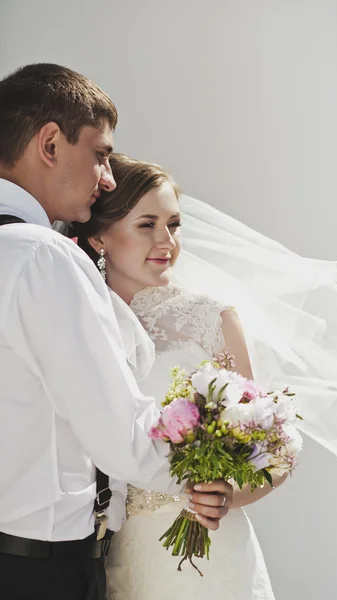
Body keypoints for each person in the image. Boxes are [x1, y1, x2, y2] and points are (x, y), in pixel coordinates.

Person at [0, 64, 231, 600]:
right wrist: (210, 473)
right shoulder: (42, 257)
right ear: (51, 144)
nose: (107, 178)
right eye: (101, 154)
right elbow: (122, 435)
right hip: (41, 572)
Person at [72, 154, 289, 600]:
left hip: (208, 555)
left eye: (173, 224)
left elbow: (275, 453)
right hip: (107, 557)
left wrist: (227, 491)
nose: (166, 240)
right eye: (146, 224)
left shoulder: (213, 320)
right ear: (98, 236)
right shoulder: (77, 321)